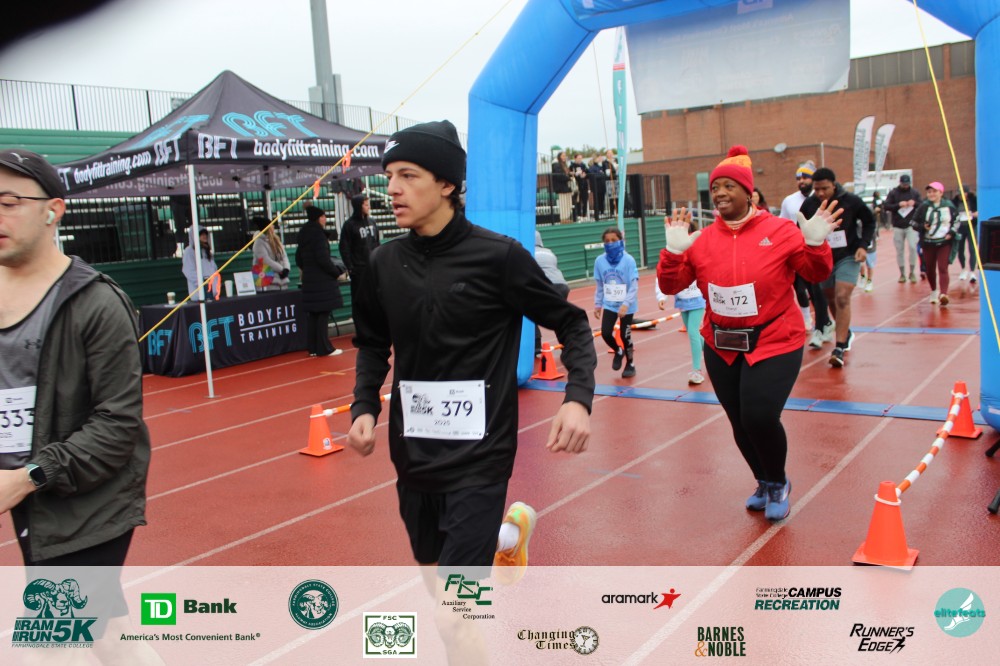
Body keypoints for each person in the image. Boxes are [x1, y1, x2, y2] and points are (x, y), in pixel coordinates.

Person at [346, 120, 596, 663]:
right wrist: (364, 405)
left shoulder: (498, 257)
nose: (392, 189)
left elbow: (572, 322)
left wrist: (578, 397)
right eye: (389, 177)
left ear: (447, 185)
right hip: (414, 458)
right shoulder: (383, 264)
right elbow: (372, 343)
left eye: (408, 175)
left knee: (453, 615)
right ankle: (510, 536)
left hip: (481, 460)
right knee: (438, 585)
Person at [0, 150, 152, 651]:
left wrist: (27, 477)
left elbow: (117, 426)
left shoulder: (97, 303)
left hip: (87, 502)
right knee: (109, 637)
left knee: (50, 643)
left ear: (54, 211)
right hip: (28, 496)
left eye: (9, 202)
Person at [657, 145, 837, 521]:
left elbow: (816, 273)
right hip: (721, 342)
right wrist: (672, 253)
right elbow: (671, 285)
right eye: (715, 187)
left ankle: (779, 480)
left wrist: (816, 243)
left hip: (774, 338)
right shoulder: (702, 239)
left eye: (728, 186)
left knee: (759, 416)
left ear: (749, 192)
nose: (720, 193)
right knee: (738, 421)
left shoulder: (781, 231)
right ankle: (764, 481)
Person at [799, 167, 876, 368]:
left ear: (834, 185)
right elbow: (800, 230)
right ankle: (845, 331)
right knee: (831, 298)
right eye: (817, 189)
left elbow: (869, 221)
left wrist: (863, 245)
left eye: (824, 188)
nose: (820, 193)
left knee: (842, 297)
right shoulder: (809, 204)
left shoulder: (851, 201)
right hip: (823, 259)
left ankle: (839, 346)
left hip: (848, 255)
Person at [779, 161, 834, 348]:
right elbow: (784, 223)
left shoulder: (821, 199)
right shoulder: (789, 201)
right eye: (798, 178)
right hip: (797, 250)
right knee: (803, 289)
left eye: (805, 177)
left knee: (820, 290)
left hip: (821, 250)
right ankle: (819, 322)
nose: (801, 181)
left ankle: (821, 325)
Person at [295, 205, 345, 357]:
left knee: (314, 315)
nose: (325, 219)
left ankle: (313, 348)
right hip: (322, 280)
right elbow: (323, 259)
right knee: (323, 313)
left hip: (310, 279)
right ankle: (324, 348)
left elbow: (298, 258)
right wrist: (336, 272)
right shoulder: (318, 235)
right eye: (323, 216)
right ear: (318, 218)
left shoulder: (304, 235)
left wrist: (308, 269)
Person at [655, 247, 706, 385]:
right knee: (693, 333)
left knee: (693, 332)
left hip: (697, 300)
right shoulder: (673, 255)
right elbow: (663, 276)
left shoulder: (697, 252)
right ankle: (712, 352)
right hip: (682, 301)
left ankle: (697, 371)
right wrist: (662, 297)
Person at [593, 226, 639, 378]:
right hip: (610, 304)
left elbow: (634, 285)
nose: (610, 243)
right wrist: (598, 304)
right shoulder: (600, 261)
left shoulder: (628, 260)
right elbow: (600, 285)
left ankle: (630, 363)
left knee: (625, 336)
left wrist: (626, 304)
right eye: (607, 241)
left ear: (621, 241)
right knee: (606, 333)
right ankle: (618, 351)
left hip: (627, 305)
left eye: (614, 240)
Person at [912, 181, 960, 306]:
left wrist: (951, 233)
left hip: (944, 242)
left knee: (943, 267)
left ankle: (944, 294)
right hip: (928, 242)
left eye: (934, 191)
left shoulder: (949, 206)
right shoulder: (923, 206)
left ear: (941, 193)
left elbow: (956, 221)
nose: (931, 194)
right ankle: (934, 290)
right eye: (929, 192)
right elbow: (913, 222)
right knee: (930, 269)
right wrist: (923, 227)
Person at [339, 192, 381, 307]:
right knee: (360, 300)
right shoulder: (349, 225)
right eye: (366, 205)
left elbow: (377, 243)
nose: (369, 207)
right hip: (359, 269)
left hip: (373, 267)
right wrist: (350, 268)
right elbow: (344, 248)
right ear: (358, 206)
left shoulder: (372, 222)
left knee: (375, 298)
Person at [533, 230, 570, 355]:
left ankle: (536, 345)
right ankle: (567, 344)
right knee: (558, 316)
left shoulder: (527, 252)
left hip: (546, 287)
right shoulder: (549, 252)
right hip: (562, 285)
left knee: (528, 313)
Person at [883, 174, 922, 283]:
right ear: (900, 183)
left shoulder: (914, 192)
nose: (905, 186)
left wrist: (914, 203)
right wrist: (898, 205)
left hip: (911, 225)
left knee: (913, 247)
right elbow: (886, 206)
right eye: (904, 184)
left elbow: (922, 204)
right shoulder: (893, 193)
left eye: (907, 184)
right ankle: (902, 273)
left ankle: (912, 272)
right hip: (898, 226)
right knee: (899, 250)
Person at [251, 215, 290, 291]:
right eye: (271, 224)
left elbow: (284, 256)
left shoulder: (276, 240)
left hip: (282, 283)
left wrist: (286, 269)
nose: (273, 226)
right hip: (267, 284)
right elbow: (265, 260)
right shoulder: (259, 242)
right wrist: (281, 269)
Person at [181, 227, 219, 300]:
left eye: (205, 234)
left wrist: (215, 286)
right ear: (194, 236)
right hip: (199, 295)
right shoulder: (189, 251)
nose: (204, 236)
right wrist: (203, 285)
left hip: (212, 294)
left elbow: (213, 269)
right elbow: (189, 271)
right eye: (201, 234)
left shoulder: (207, 251)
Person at [953, 185, 979, 284]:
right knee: (960, 249)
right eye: (959, 194)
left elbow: (981, 209)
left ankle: (972, 271)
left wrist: (975, 213)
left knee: (972, 248)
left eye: (962, 194)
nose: (960, 196)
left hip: (971, 226)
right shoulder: (955, 201)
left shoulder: (974, 200)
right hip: (960, 227)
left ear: (967, 193)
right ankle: (963, 269)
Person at [550, 151, 574, 224]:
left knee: (568, 203)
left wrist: (570, 174)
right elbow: (559, 175)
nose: (564, 157)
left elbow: (565, 174)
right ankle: (563, 219)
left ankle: (567, 217)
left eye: (565, 156)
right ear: (559, 157)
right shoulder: (556, 164)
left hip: (566, 187)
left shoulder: (564, 165)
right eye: (563, 156)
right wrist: (569, 178)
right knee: (563, 203)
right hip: (561, 187)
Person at [571, 154, 590, 220]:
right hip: (576, 186)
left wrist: (585, 175)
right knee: (577, 201)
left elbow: (588, 173)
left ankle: (584, 215)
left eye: (581, 158)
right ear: (575, 158)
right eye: (578, 158)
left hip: (584, 185)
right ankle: (578, 215)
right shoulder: (572, 166)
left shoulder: (584, 165)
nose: (580, 160)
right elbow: (570, 175)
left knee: (585, 200)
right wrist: (576, 174)